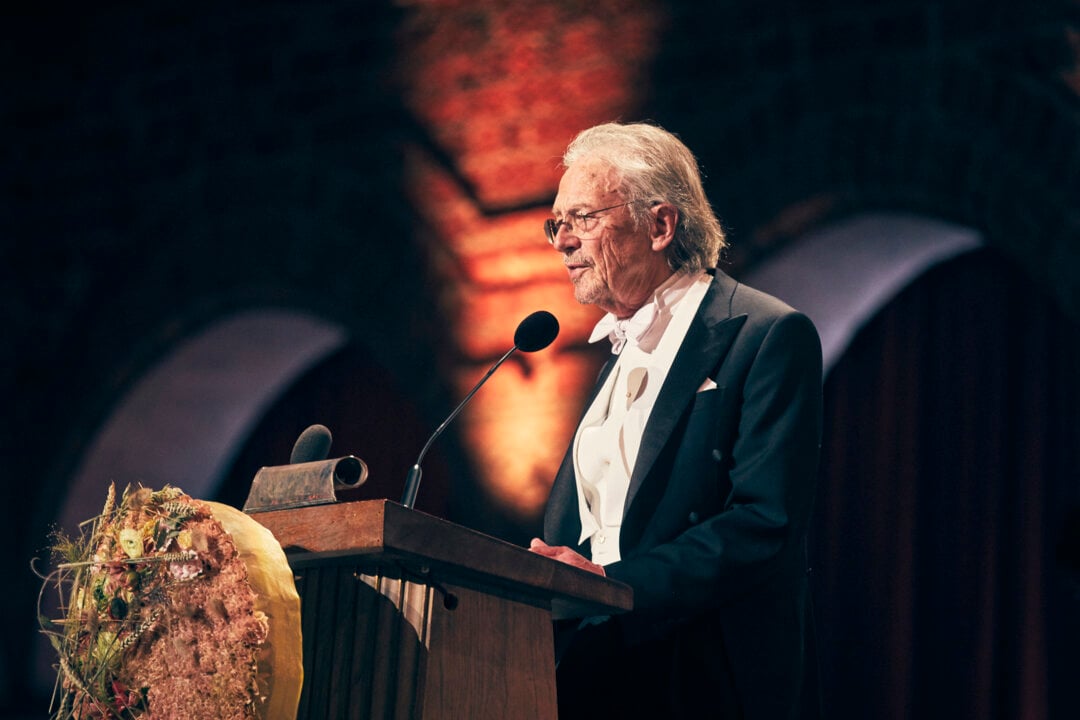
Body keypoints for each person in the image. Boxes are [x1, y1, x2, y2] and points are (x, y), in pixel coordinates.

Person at [528, 122, 823, 719]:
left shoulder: (766, 335)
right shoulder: (612, 354)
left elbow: (761, 524)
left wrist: (610, 584)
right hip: (589, 676)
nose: (562, 241)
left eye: (582, 218)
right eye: (556, 222)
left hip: (698, 679)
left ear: (661, 226)